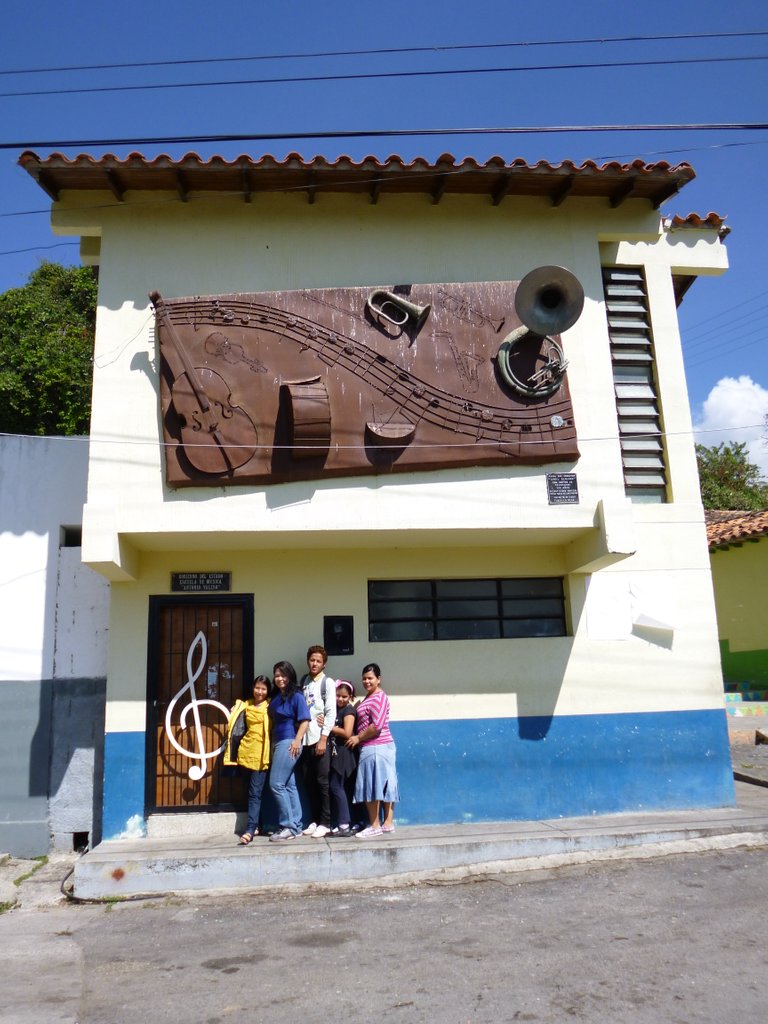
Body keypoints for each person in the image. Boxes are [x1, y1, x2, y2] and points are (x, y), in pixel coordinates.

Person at [346, 662, 399, 838]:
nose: (366, 681)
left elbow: (376, 726)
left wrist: (357, 738)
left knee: (372, 785)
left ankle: (375, 825)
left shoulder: (378, 697)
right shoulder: (369, 698)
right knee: (385, 784)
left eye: (370, 678)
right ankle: (387, 824)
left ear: (378, 679)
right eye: (364, 678)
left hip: (375, 747)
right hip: (378, 747)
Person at [267, 661, 310, 842]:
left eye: (283, 675)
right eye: (277, 675)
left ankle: (287, 826)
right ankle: (296, 825)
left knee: (276, 784)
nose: (280, 678)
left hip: (289, 742)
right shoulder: (276, 698)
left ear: (290, 676)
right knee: (289, 785)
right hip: (277, 743)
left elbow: (305, 720)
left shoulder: (296, 696)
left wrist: (297, 741)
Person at [226, 674, 272, 845]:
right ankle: (258, 825)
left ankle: (250, 829)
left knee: (255, 793)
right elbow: (236, 714)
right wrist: (234, 711)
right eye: (257, 688)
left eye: (263, 688)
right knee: (252, 793)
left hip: (262, 755)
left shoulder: (271, 706)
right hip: (245, 753)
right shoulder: (246, 704)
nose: (259, 692)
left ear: (268, 691)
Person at [299, 644, 336, 839]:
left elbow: (331, 711)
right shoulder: (304, 681)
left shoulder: (327, 683)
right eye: (312, 660)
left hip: (319, 739)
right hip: (305, 739)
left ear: (324, 664)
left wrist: (323, 739)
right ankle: (314, 820)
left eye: (318, 661)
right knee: (309, 782)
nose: (314, 663)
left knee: (322, 782)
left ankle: (326, 822)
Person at [328, 680, 358, 835]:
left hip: (344, 754)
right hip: (337, 752)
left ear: (350, 697)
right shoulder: (336, 710)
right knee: (339, 787)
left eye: (344, 697)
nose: (340, 699)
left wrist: (328, 727)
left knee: (336, 786)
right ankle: (345, 821)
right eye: (338, 696)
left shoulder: (349, 710)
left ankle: (344, 824)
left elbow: (347, 733)